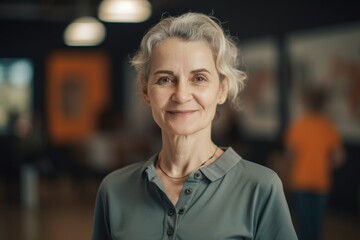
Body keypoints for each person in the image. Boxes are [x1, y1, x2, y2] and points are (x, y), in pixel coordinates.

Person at [92, 12, 297, 240]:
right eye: (165, 79)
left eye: (199, 78)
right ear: (144, 90)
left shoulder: (260, 188)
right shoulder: (113, 189)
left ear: (221, 89)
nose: (181, 95)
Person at [284, 85, 345, 240]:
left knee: (303, 224)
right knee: (317, 225)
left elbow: (290, 155)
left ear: (306, 102)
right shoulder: (329, 126)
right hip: (321, 181)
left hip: (301, 181)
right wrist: (324, 166)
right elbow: (339, 157)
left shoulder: (298, 126)